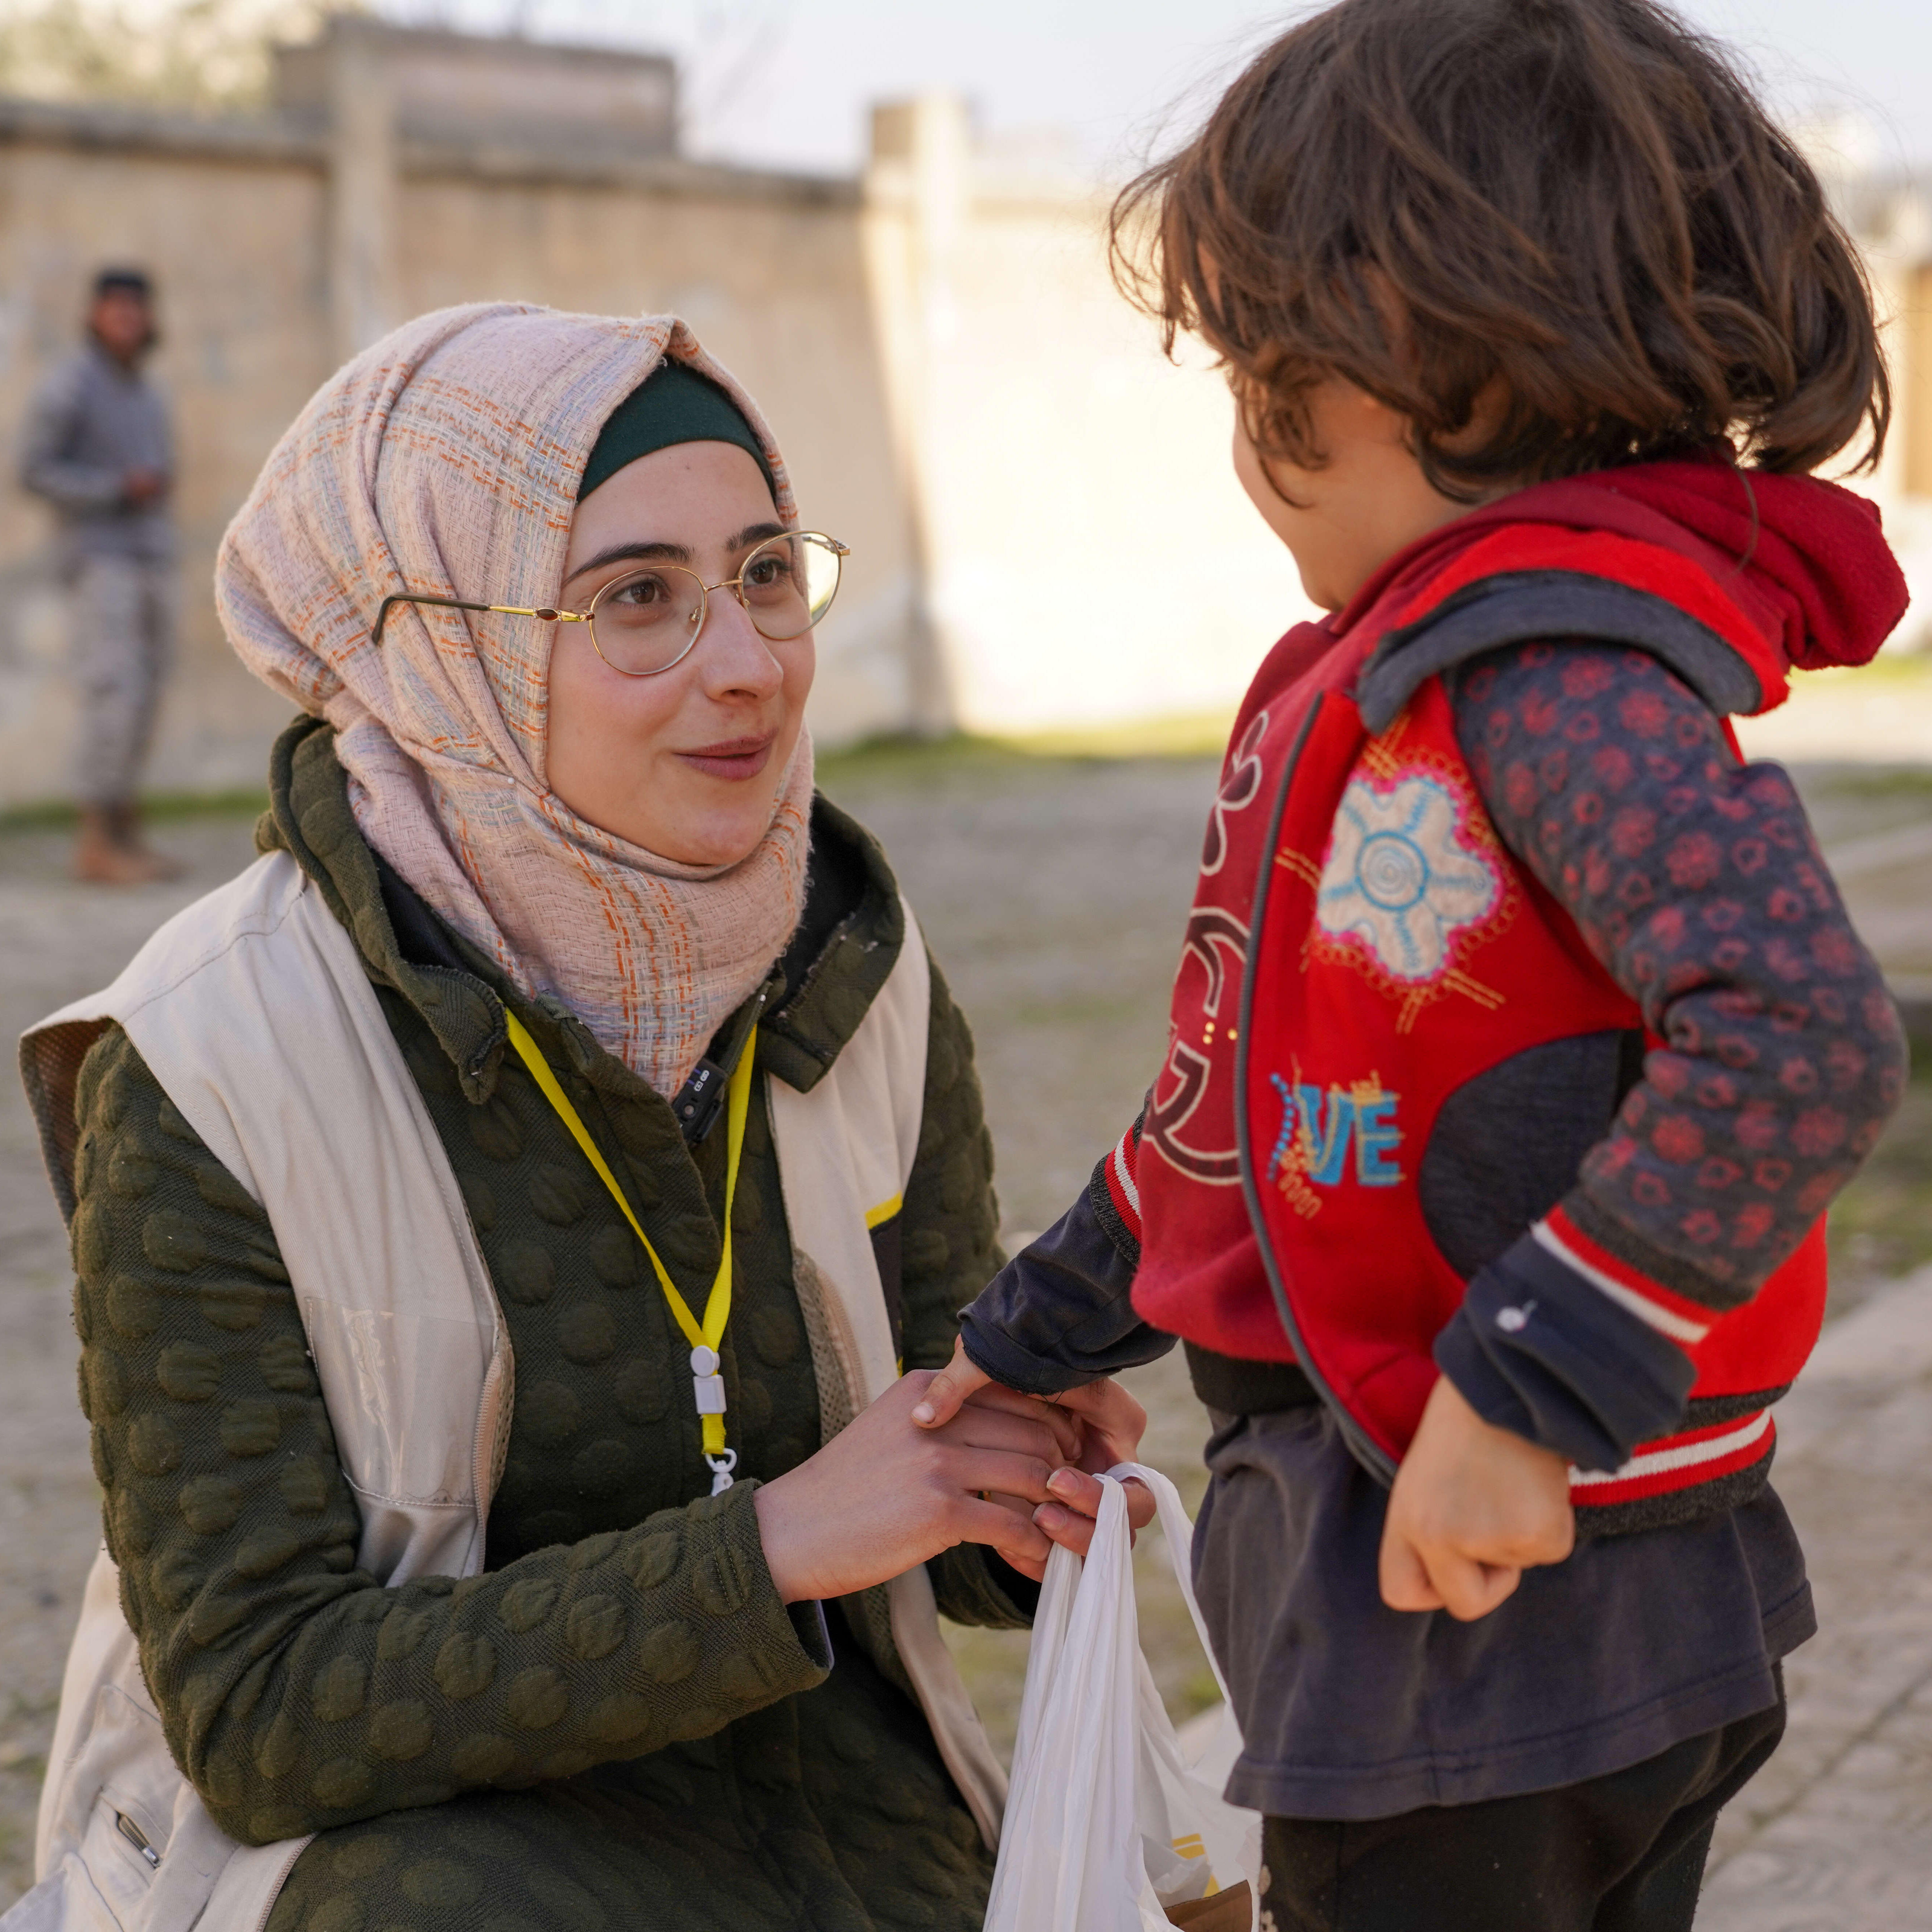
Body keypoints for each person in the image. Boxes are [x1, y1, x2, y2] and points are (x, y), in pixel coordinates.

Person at [912, 3, 1911, 1927]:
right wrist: (1031, 1336)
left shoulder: (1545, 674)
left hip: (1483, 1628)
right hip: (1521, 1607)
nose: (1240, 429)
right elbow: (1256, 1091)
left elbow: (1793, 1037)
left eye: (1245, 366)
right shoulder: (1419, 674)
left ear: (1376, 373)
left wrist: (1525, 1392)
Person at [15, 304, 1139, 1932]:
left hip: (854, 1832)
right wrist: (765, 1556)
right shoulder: (205, 1063)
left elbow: (931, 1511)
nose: (749, 662)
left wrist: (1019, 1483)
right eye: (638, 601)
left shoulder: (856, 972)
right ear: (436, 654)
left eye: (764, 573)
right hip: (411, 1870)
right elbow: (264, 1711)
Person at [20, 266, 180, 885]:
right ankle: (94, 843)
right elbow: (33, 471)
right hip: (99, 560)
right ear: (94, 316)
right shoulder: (70, 385)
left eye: (135, 310)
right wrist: (115, 489)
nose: (126, 320)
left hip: (152, 557)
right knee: (112, 692)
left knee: (147, 693)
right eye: (115, 310)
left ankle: (125, 834)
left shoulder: (148, 391)